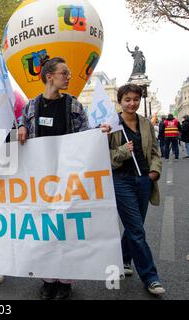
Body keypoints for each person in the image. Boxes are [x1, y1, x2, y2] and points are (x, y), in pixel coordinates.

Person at [18, 56, 110, 299]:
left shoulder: (74, 105)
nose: (69, 77)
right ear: (50, 77)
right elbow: (19, 126)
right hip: (40, 180)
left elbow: (85, 136)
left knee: (68, 227)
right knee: (45, 228)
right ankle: (48, 279)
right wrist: (21, 127)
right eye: (65, 73)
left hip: (68, 177)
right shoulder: (30, 107)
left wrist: (98, 134)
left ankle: (65, 280)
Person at [108, 83, 165, 296]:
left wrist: (154, 172)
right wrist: (123, 151)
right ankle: (151, 277)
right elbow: (102, 156)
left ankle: (124, 259)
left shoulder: (145, 123)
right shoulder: (112, 124)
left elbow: (155, 151)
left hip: (143, 180)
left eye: (136, 99)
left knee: (135, 226)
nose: (132, 103)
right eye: (127, 100)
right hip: (121, 181)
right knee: (137, 230)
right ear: (120, 101)